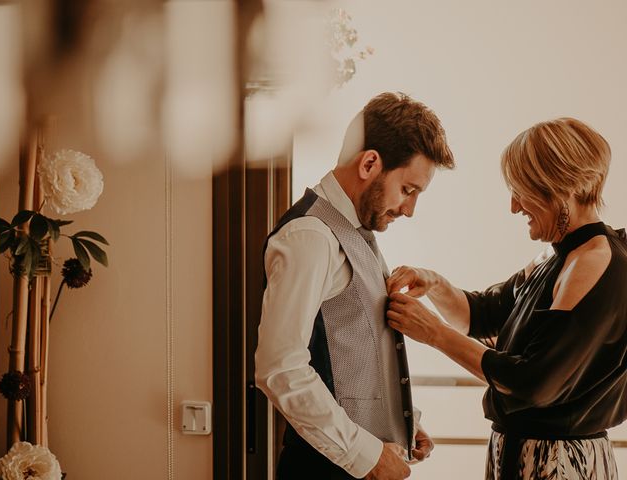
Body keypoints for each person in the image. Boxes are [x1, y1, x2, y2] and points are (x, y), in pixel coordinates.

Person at [386, 117, 627, 480]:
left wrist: (434, 333)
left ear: (559, 188)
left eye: (521, 190)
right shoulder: (558, 256)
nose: (514, 207)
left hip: (559, 463)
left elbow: (534, 383)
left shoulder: (592, 261)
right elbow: (482, 315)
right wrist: (434, 283)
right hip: (527, 454)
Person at [255, 92, 455, 479]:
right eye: (408, 190)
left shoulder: (355, 231)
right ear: (369, 163)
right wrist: (370, 456)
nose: (409, 210)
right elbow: (280, 367)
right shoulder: (310, 236)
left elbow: (352, 345)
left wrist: (402, 420)